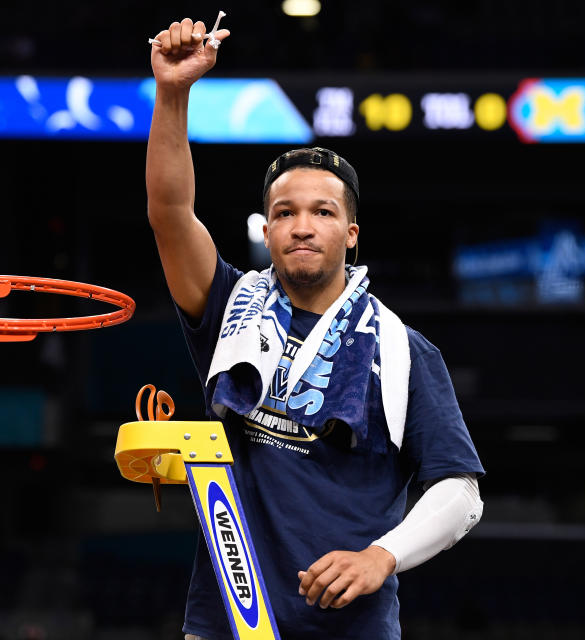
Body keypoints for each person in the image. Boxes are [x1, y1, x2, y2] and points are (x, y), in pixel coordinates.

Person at [146, 17, 485, 640]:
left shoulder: (403, 349)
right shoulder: (230, 308)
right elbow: (170, 214)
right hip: (224, 623)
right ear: (268, 231)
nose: (302, 225)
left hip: (350, 628)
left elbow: (460, 492)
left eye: (323, 212)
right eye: (285, 213)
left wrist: (380, 557)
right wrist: (172, 94)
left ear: (349, 235)